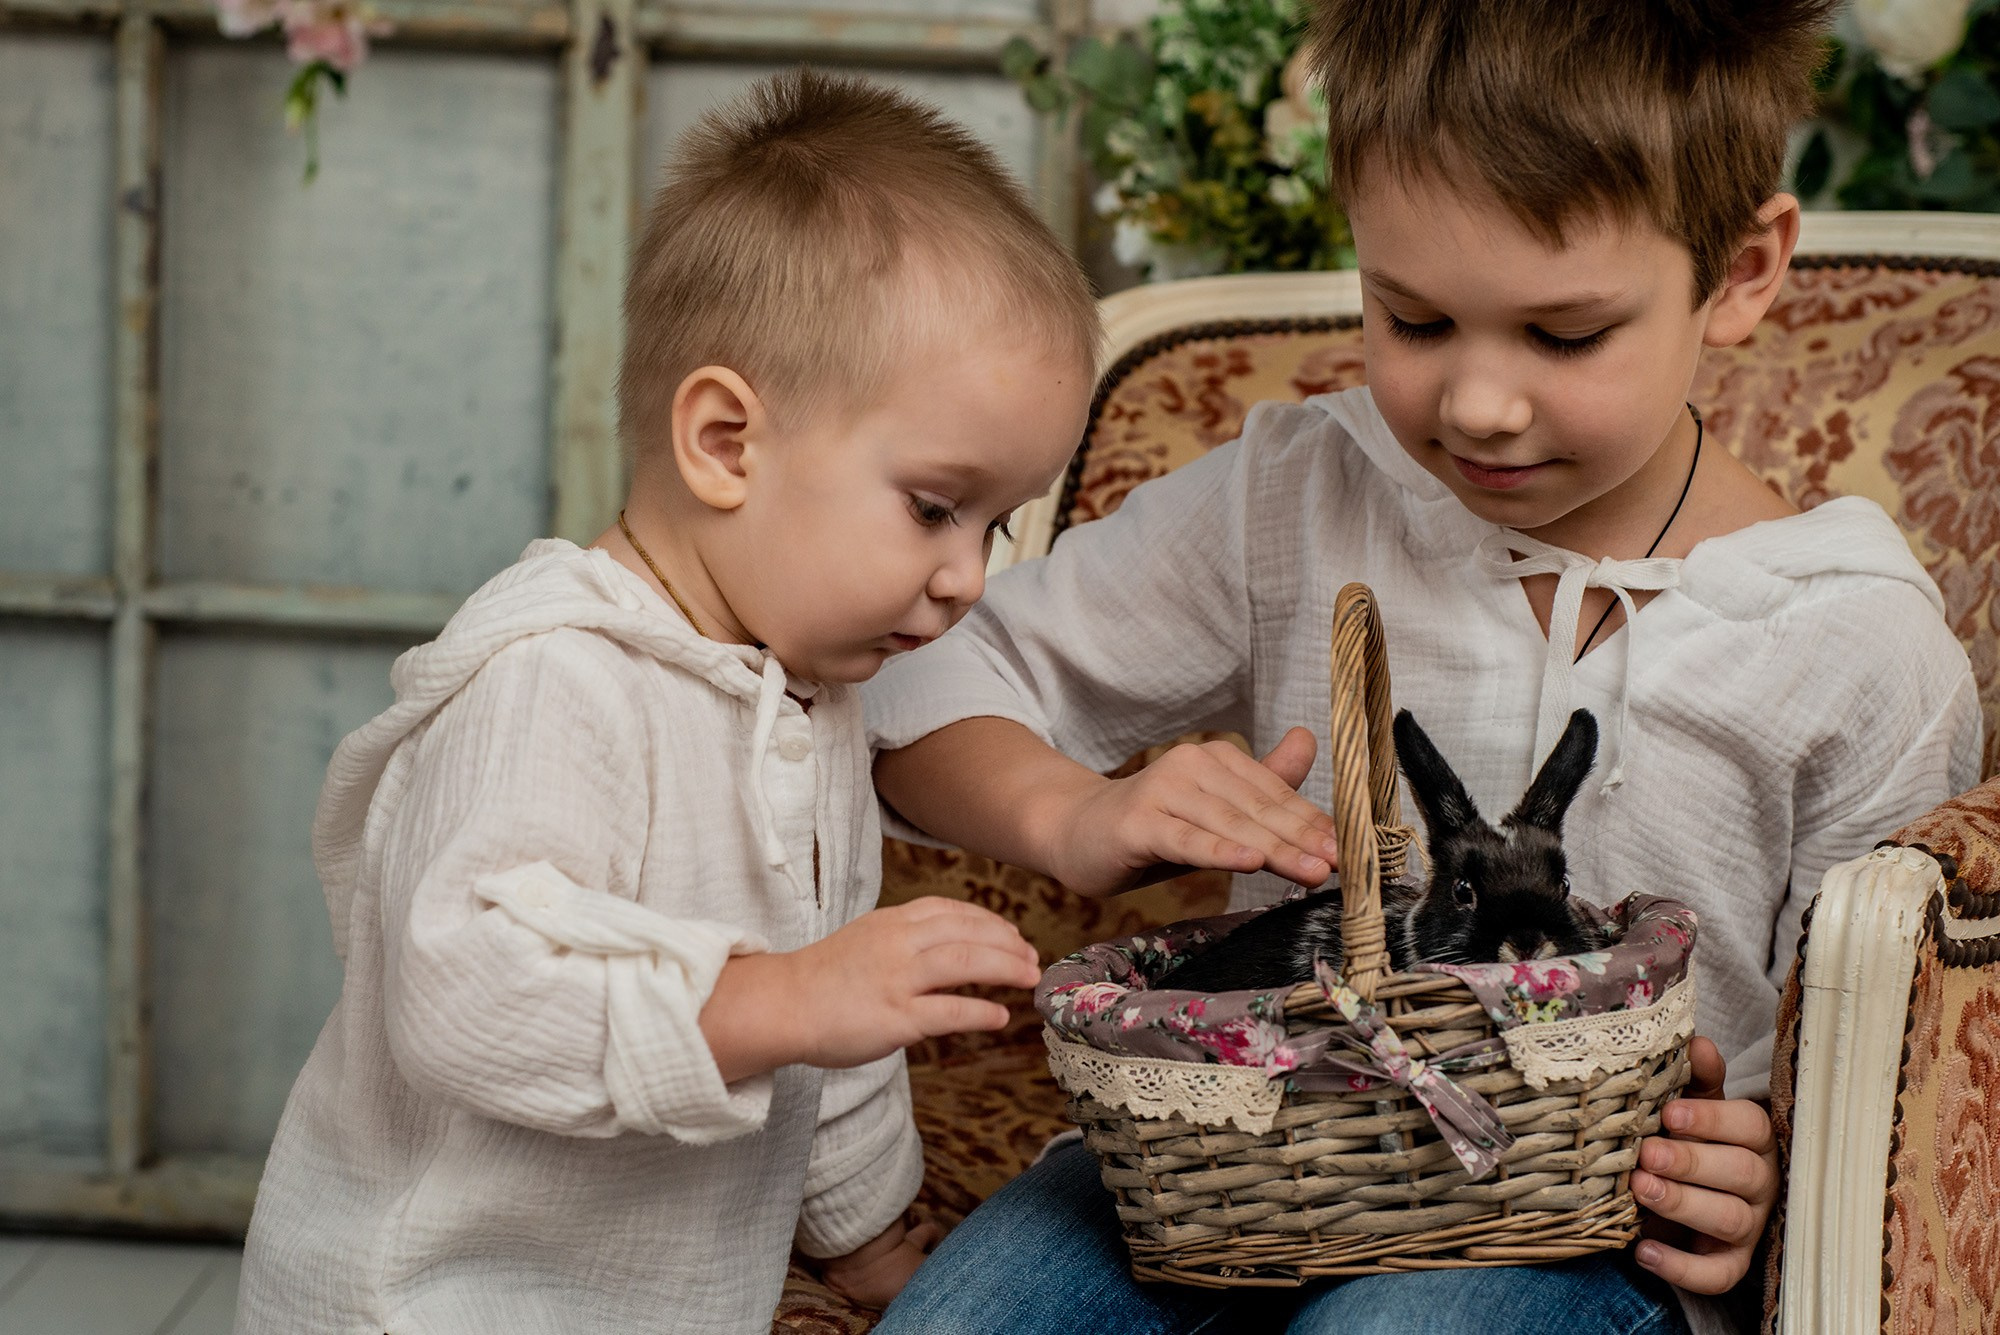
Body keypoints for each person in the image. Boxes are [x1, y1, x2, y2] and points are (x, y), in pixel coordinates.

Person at [863, 2, 1984, 1333]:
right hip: (1237, 1168)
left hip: (1573, 1226)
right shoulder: (1300, 494)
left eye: (1562, 336)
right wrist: (1072, 809)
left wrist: (1761, 1167)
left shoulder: (1852, 638)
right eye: (1414, 317)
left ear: (1740, 272)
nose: (1477, 403)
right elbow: (915, 677)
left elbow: (1892, 1085)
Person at [232, 69, 1099, 1334]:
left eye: (998, 522)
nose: (969, 576)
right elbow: (460, 990)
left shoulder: (812, 699)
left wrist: (864, 1238)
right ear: (726, 444)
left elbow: (829, 1047)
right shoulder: (554, 678)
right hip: (427, 1301)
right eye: (932, 506)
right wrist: (781, 999)